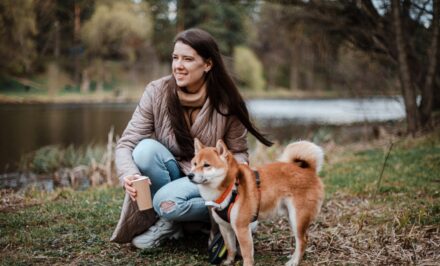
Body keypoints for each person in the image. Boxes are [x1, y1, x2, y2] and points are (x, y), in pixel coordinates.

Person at [115, 28, 272, 249]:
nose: (178, 65)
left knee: (165, 203)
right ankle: (178, 222)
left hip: (210, 178)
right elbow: (126, 143)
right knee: (144, 150)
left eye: (187, 59)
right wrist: (128, 174)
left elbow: (238, 150)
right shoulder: (156, 92)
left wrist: (238, 171)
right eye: (175, 57)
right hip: (173, 174)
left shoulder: (228, 101)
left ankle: (230, 212)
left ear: (207, 64)